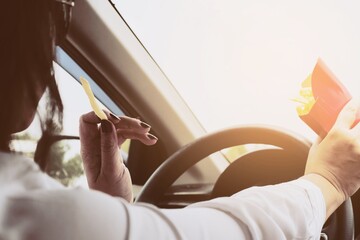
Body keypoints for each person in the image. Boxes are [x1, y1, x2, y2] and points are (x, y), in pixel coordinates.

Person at [1, 0, 360, 239]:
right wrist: (327, 181)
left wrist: (112, 202)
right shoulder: (23, 208)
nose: (52, 44)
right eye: (61, 12)